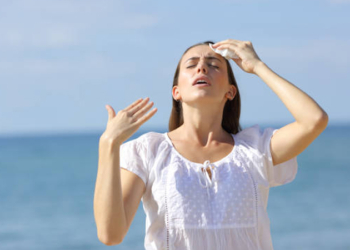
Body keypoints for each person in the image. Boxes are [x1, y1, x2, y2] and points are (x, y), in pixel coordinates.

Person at [93, 39, 328, 250]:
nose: (202, 67)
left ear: (230, 91)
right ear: (176, 92)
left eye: (214, 64)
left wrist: (257, 66)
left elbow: (314, 120)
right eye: (191, 64)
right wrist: (108, 144)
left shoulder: (254, 149)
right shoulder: (148, 151)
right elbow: (110, 235)